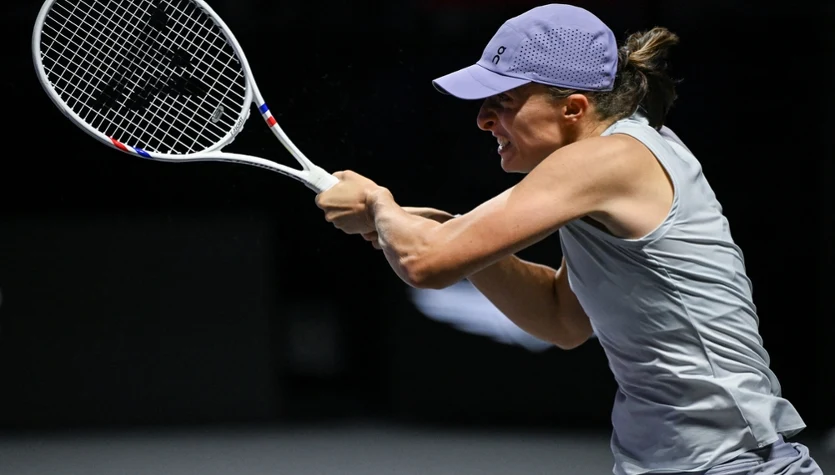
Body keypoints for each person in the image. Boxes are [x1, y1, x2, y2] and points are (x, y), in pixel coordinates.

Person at [313, 3, 823, 475]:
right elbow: (561, 318)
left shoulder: (604, 159)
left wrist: (377, 204)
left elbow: (425, 264)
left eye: (504, 101)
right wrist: (446, 234)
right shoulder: (628, 152)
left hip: (731, 464)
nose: (483, 119)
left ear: (574, 108)